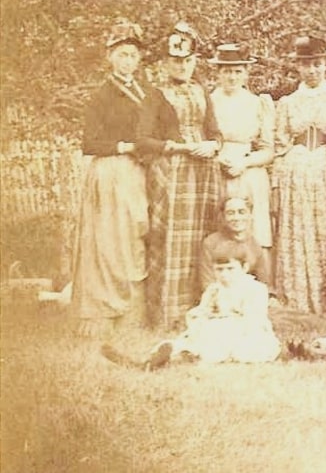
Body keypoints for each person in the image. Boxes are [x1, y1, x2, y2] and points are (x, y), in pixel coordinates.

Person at [137, 22, 222, 329]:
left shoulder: (202, 91)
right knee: (169, 239)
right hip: (172, 171)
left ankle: (203, 312)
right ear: (165, 63)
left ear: (194, 61)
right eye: (176, 60)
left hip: (202, 172)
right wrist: (175, 146)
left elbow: (215, 131)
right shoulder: (155, 95)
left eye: (187, 60)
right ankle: (168, 315)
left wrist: (212, 144)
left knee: (203, 238)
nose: (182, 66)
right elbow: (143, 139)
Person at [72, 20, 150, 335]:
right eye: (121, 55)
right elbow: (88, 143)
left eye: (132, 55)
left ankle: (131, 311)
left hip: (135, 172)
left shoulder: (142, 91)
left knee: (134, 236)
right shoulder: (102, 95)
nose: (127, 61)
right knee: (108, 240)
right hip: (110, 171)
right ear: (110, 57)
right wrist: (126, 146)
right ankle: (103, 310)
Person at [102, 244, 279, 369]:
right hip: (217, 329)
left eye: (230, 269)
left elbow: (252, 320)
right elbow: (202, 311)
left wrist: (221, 319)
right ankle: (152, 361)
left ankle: (186, 356)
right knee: (191, 339)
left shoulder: (254, 289)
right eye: (219, 269)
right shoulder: (214, 289)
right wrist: (201, 318)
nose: (224, 275)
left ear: (244, 267)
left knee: (225, 344)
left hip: (245, 333)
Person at [272, 35, 326, 314]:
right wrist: (277, 182)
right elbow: (279, 143)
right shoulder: (288, 102)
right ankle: (298, 302)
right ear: (297, 67)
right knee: (298, 235)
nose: (312, 70)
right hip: (297, 173)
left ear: (325, 64)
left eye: (317, 64)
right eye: (306, 65)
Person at [206, 43, 277, 286]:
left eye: (237, 71)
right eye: (226, 71)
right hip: (215, 171)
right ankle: (218, 292)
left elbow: (268, 150)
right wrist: (218, 160)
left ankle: (262, 292)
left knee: (256, 232)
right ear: (217, 73)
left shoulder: (258, 103)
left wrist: (244, 163)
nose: (232, 77)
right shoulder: (207, 101)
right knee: (220, 230)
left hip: (250, 174)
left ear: (246, 73)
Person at [199, 197, 269, 287]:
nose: (236, 218)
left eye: (242, 212)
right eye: (230, 213)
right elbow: (207, 282)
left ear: (250, 215)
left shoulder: (254, 245)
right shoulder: (211, 243)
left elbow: (263, 282)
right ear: (223, 217)